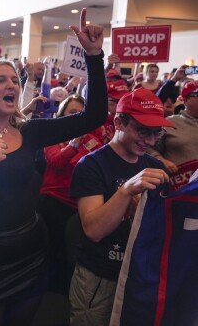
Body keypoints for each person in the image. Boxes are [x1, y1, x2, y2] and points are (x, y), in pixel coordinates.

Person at [0, 8, 107, 326]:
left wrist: (94, 57)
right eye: (0, 80)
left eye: (15, 79)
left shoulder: (30, 131)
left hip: (30, 253)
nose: (11, 84)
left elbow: (94, 116)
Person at [68, 88, 173, 326]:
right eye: (142, 131)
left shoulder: (156, 167)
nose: (149, 141)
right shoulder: (92, 165)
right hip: (100, 277)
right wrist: (126, 191)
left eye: (156, 133)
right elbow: (94, 230)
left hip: (139, 275)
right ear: (118, 122)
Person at [37, 95, 104, 293]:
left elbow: (88, 166)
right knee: (54, 247)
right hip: (53, 199)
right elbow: (56, 161)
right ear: (62, 115)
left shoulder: (93, 140)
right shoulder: (52, 136)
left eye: (80, 114)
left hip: (79, 203)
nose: (76, 117)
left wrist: (76, 149)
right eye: (71, 113)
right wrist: (74, 144)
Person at [149, 80, 198, 174]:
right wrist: (160, 159)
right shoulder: (168, 123)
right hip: (180, 185)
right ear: (186, 100)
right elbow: (148, 147)